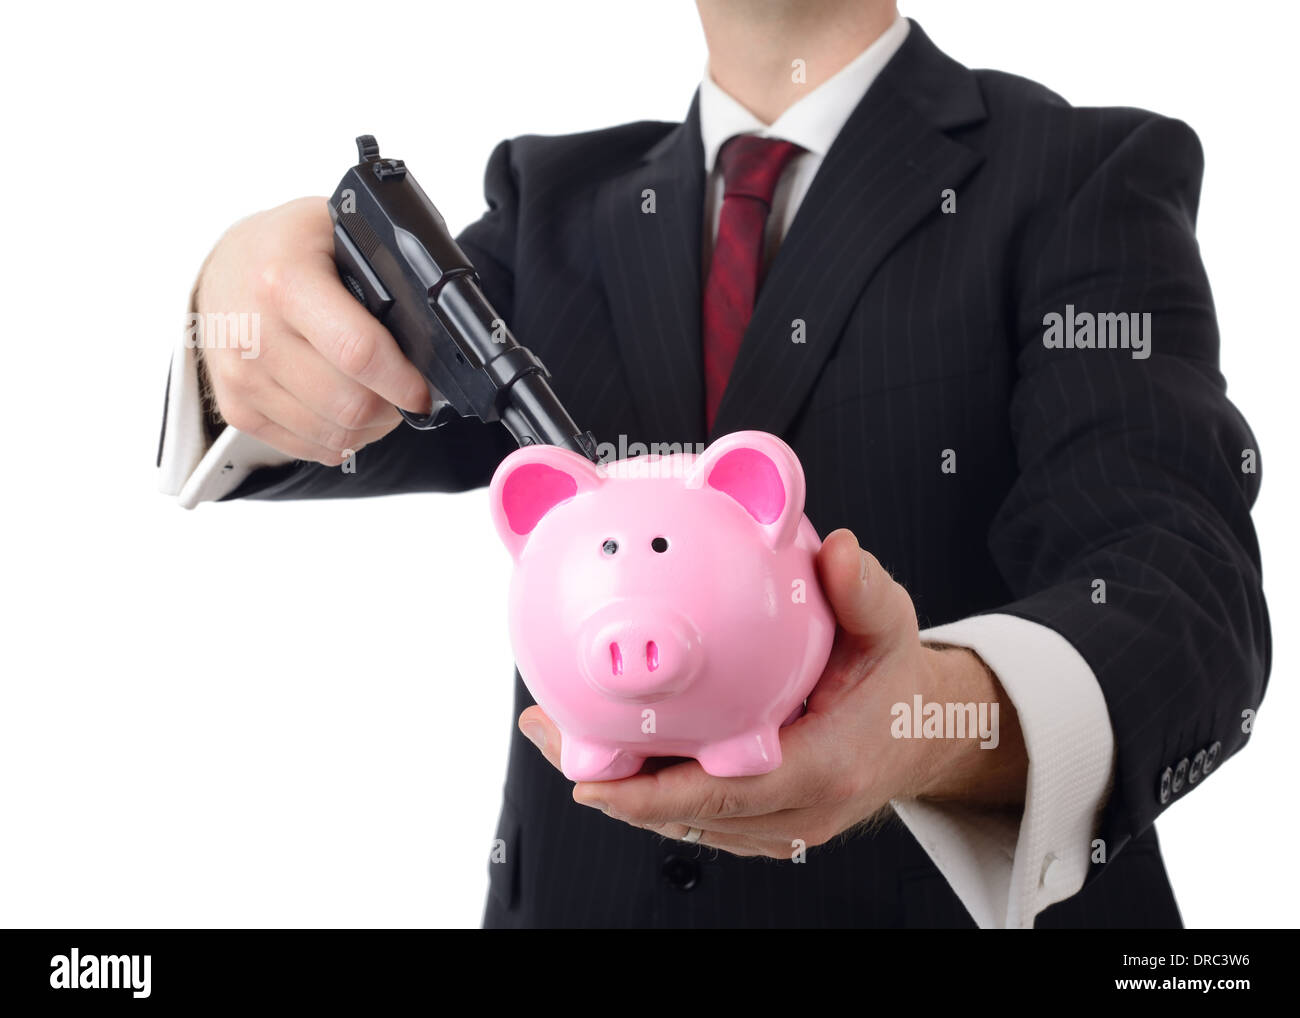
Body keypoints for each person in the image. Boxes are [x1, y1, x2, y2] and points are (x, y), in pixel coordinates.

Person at [158, 0, 1270, 928]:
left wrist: (932, 721)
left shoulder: (1081, 176)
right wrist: (236, 318)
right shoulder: (551, 208)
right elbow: (331, 404)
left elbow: (1178, 590)